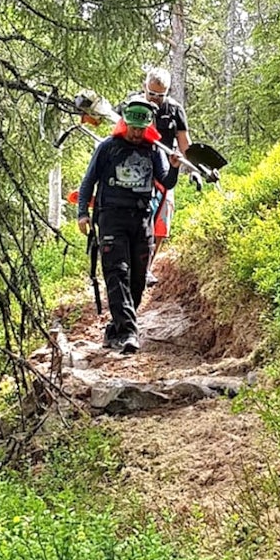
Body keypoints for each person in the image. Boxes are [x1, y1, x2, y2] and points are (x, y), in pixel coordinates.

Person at [77, 97, 180, 353]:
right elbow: (88, 181)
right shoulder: (108, 148)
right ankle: (128, 333)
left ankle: (116, 329)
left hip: (142, 218)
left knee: (137, 279)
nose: (136, 134)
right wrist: (82, 213)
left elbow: (166, 182)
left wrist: (175, 167)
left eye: (141, 129)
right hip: (111, 217)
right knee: (117, 273)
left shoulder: (154, 150)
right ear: (125, 123)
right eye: (133, 128)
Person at [117, 68, 190, 286]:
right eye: (152, 94)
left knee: (161, 221)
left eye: (161, 95)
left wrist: (195, 168)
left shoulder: (175, 110)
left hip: (165, 170)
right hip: (135, 169)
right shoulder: (131, 106)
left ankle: (146, 267)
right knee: (135, 219)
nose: (156, 100)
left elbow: (185, 144)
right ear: (145, 87)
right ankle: (125, 265)